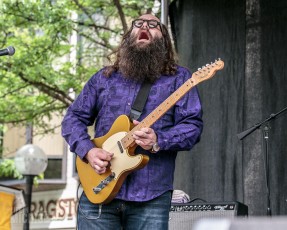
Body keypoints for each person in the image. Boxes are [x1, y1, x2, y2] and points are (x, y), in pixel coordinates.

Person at [61, 13, 203, 230]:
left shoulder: (180, 79)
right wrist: (88, 151)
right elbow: (72, 119)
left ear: (164, 40)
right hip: (98, 188)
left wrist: (158, 140)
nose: (145, 26)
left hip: (152, 196)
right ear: (127, 38)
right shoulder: (104, 78)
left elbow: (192, 126)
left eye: (154, 25)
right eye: (138, 24)